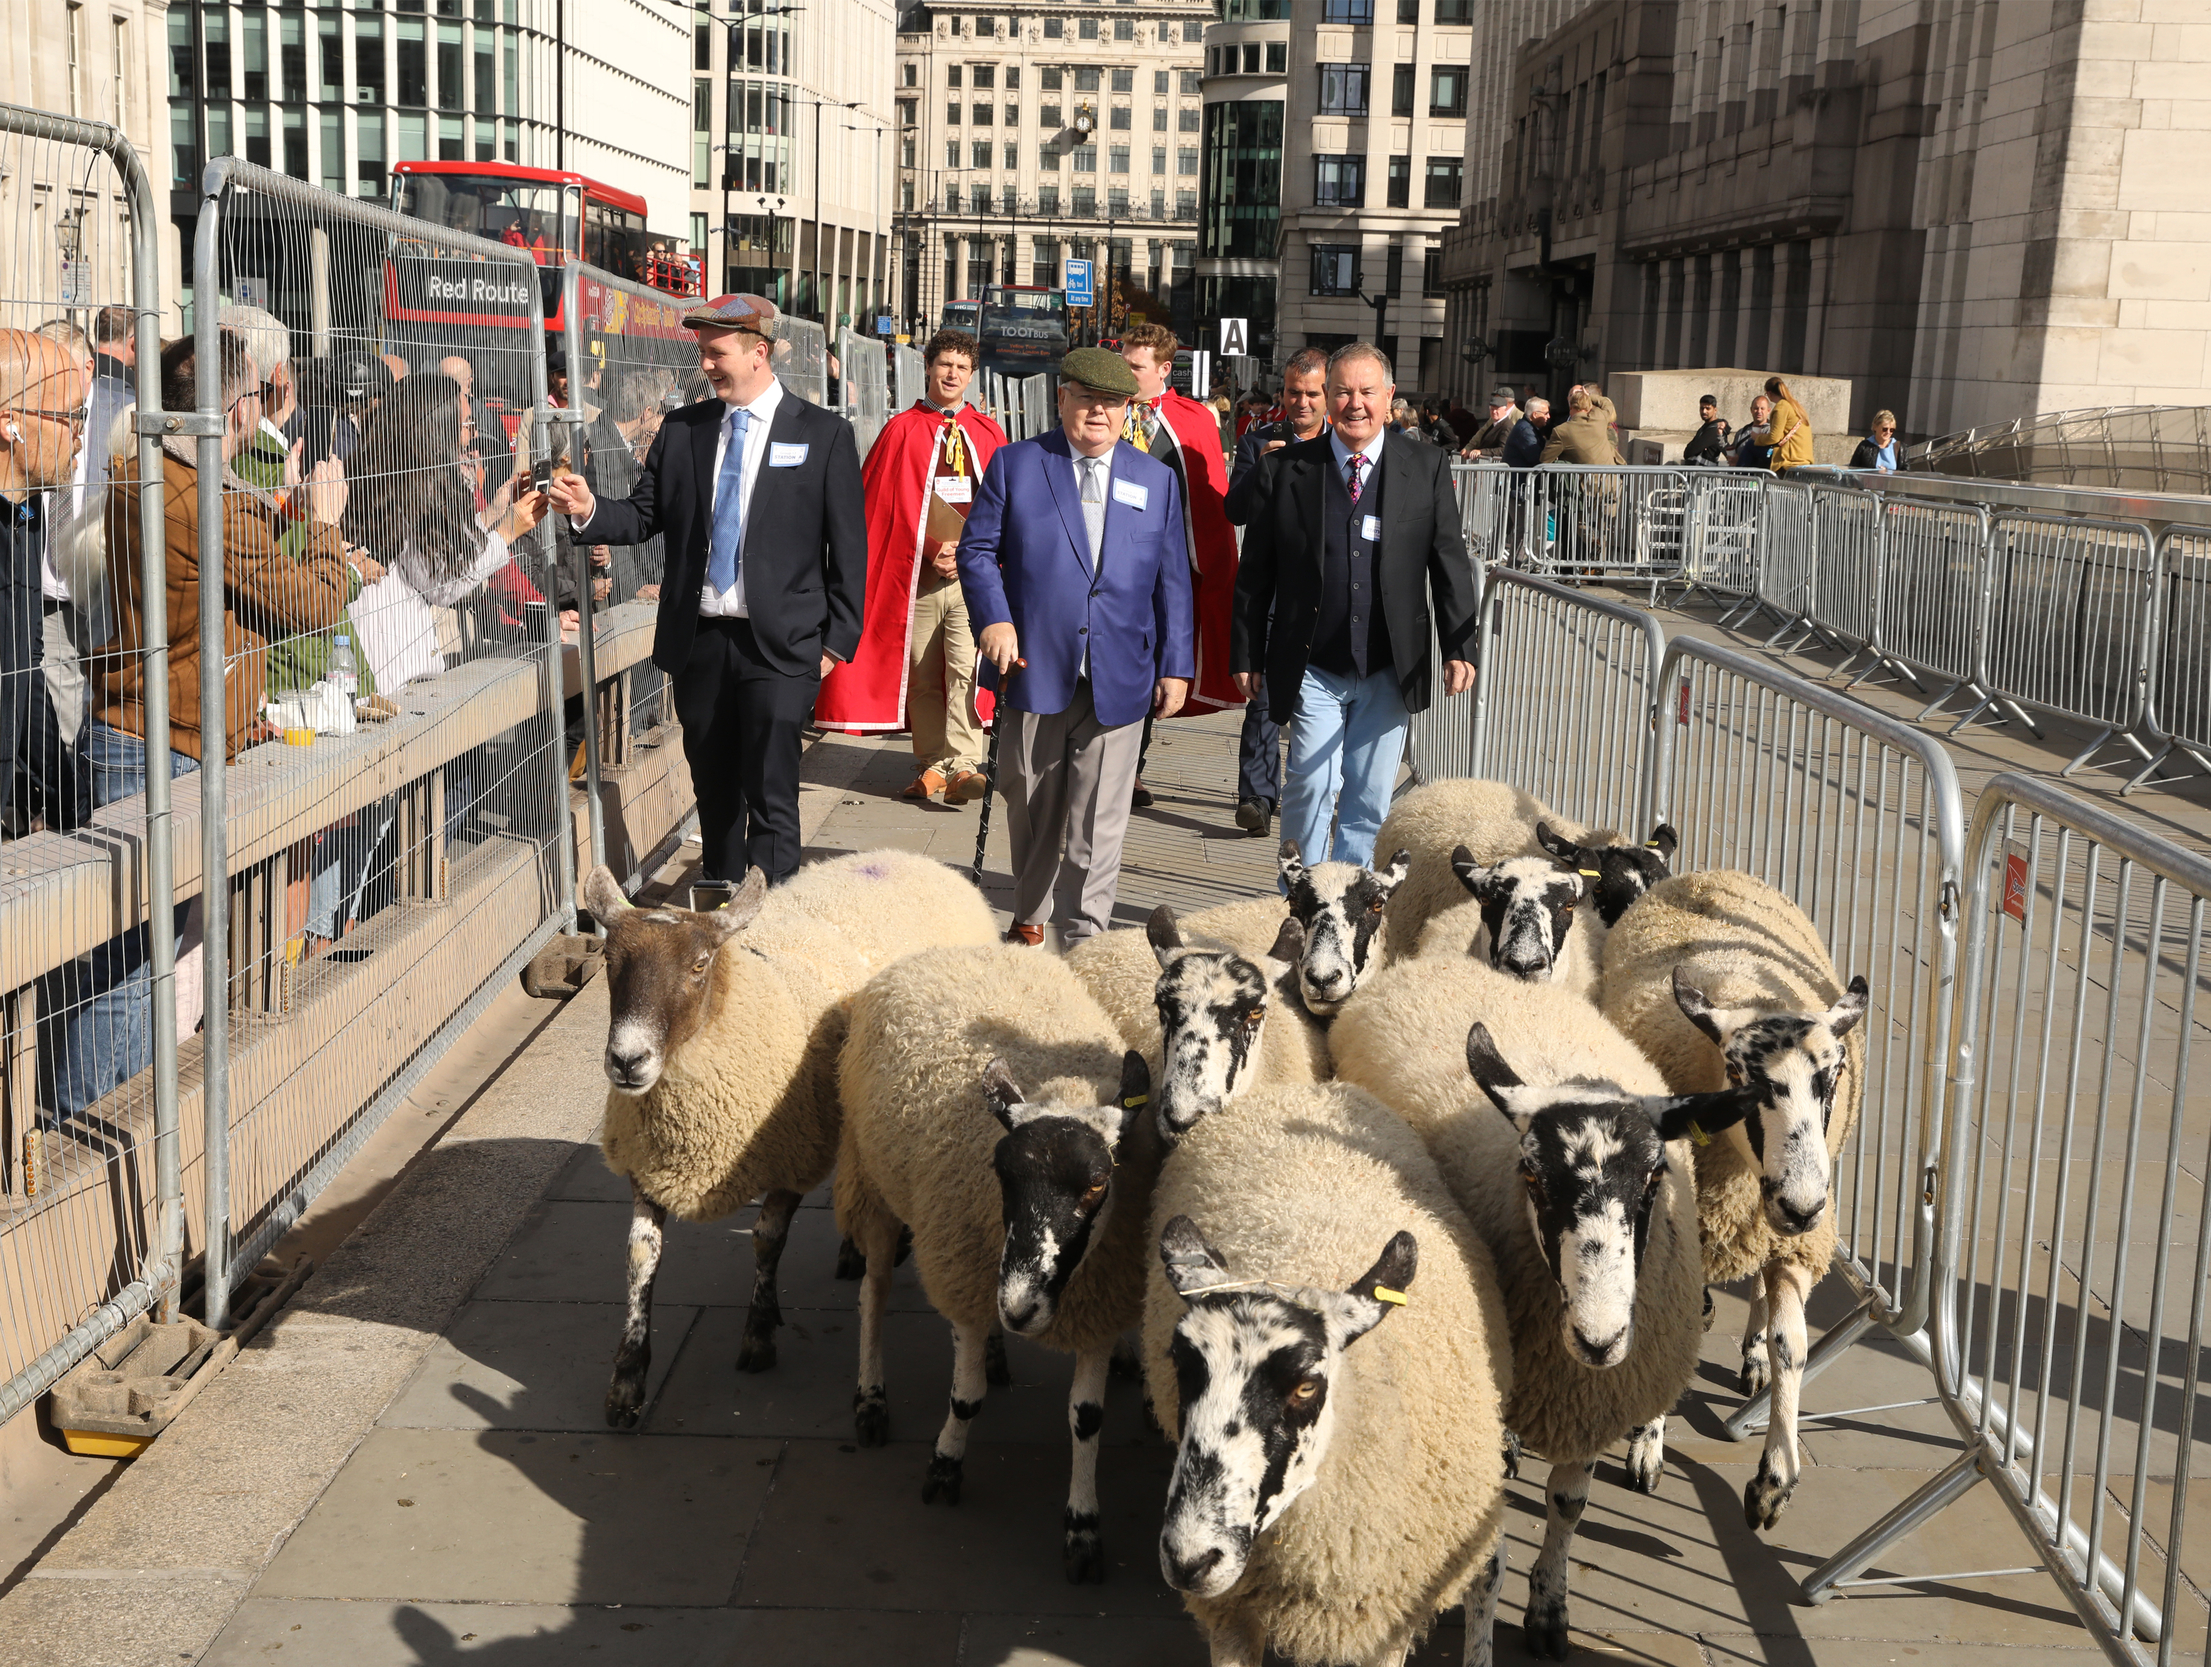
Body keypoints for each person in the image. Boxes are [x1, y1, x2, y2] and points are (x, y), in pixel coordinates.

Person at [547, 293, 865, 888]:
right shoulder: (684, 429)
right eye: (703, 354)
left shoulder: (822, 435)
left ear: (758, 353)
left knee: (771, 792)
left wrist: (833, 645)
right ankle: (719, 915)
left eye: (717, 353)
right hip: (701, 646)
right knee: (715, 793)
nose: (708, 366)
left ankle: (770, 927)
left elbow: (848, 548)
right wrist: (590, 509)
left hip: (782, 647)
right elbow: (642, 517)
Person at [959, 346, 1192, 947]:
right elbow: (977, 551)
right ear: (1062, 398)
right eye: (1086, 399)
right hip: (1035, 671)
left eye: (1112, 403)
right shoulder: (1017, 464)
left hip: (1121, 676)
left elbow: (1173, 580)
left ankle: (1084, 937)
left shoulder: (1156, 479)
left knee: (1099, 822)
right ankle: (1030, 916)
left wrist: (1176, 665)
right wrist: (995, 619)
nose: (1098, 413)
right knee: (1031, 807)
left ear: (1127, 411)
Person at [1231, 342, 1478, 876]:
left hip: (1390, 665)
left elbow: (1449, 560)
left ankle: (1348, 910)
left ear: (1389, 398)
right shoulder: (1287, 470)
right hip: (1312, 663)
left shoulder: (1426, 466)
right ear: (1327, 398)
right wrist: (1246, 653)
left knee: (1369, 799)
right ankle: (1302, 899)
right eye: (1342, 391)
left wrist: (1460, 645)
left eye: (1368, 392)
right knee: (1310, 785)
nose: (1355, 403)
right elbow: (1255, 572)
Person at [819, 326, 1006, 804]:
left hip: (971, 577)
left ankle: (964, 764)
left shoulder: (988, 434)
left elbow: (1005, 508)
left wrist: (968, 555)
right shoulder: (900, 429)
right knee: (922, 671)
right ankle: (931, 765)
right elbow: (881, 507)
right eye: (945, 364)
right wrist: (927, 548)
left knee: (966, 666)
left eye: (962, 368)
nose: (952, 374)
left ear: (972, 375)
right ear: (928, 367)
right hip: (915, 577)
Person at [1116, 323, 1238, 808]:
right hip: (1109, 565)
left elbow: (1209, 501)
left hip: (1169, 570)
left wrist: (1206, 565)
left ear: (1165, 369)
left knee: (1150, 670)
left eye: (1135, 366)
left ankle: (1130, 770)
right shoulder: (1107, 409)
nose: (1125, 373)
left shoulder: (1193, 420)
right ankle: (1110, 766)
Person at [1222, 345, 1327, 838]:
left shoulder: (1346, 447)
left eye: (1311, 393)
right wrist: (1262, 465)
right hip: (1272, 594)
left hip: (1324, 601)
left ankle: (1312, 793)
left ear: (1328, 395)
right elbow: (1234, 511)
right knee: (1262, 699)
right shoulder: (1257, 440)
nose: (1300, 403)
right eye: (1292, 393)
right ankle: (1256, 796)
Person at [0, 330, 90, 834]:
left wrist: (69, 808)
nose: (80, 432)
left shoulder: (25, 518)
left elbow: (26, 675)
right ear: (11, 423)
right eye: (69, 416)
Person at [1541, 387, 1624, 465]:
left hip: (1584, 479)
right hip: (1611, 478)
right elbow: (1607, 404)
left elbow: (1545, 459)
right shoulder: (1599, 418)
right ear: (1589, 408)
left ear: (1571, 407)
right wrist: (1588, 396)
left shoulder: (1561, 431)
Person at [1765, 376, 1814, 472]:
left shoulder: (1781, 407)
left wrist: (1757, 438)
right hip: (1805, 457)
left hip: (1792, 459)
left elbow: (1774, 437)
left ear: (1769, 393)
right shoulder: (1795, 405)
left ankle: (1740, 479)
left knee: (1751, 446)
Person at [1461, 386, 1520, 458]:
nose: (1494, 412)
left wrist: (1481, 451)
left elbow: (1503, 449)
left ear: (1505, 404)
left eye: (1497, 409)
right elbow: (1481, 433)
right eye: (1492, 409)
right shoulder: (1495, 420)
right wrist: (1468, 448)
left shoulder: (1511, 422)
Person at [1683, 393, 1733, 464]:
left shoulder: (1715, 429)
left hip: (1704, 471)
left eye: (1708, 408)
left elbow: (1692, 450)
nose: (1704, 411)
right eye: (1702, 408)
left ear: (1715, 410)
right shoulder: (1705, 426)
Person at [1505, 396, 1550, 468]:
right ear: (1535, 414)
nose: (1549, 416)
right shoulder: (1525, 431)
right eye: (1546, 413)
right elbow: (1536, 457)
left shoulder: (1528, 427)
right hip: (1519, 477)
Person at [1733, 394, 1775, 469]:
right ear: (1751, 410)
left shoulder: (1772, 431)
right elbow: (1733, 453)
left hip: (1761, 476)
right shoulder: (1742, 432)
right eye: (1756, 408)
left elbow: (1771, 454)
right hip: (1742, 477)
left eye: (1762, 408)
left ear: (1768, 411)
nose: (1759, 411)